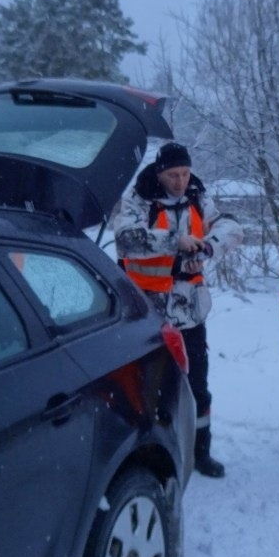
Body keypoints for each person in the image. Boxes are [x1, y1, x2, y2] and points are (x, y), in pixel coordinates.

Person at [113, 142, 243, 479]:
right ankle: (154, 456)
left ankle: (201, 452)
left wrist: (210, 245)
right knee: (150, 390)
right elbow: (126, 239)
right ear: (160, 173)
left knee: (198, 386)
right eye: (173, 174)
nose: (181, 181)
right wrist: (174, 240)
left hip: (190, 310)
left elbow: (231, 226)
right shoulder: (138, 198)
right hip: (147, 313)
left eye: (185, 173)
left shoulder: (198, 195)